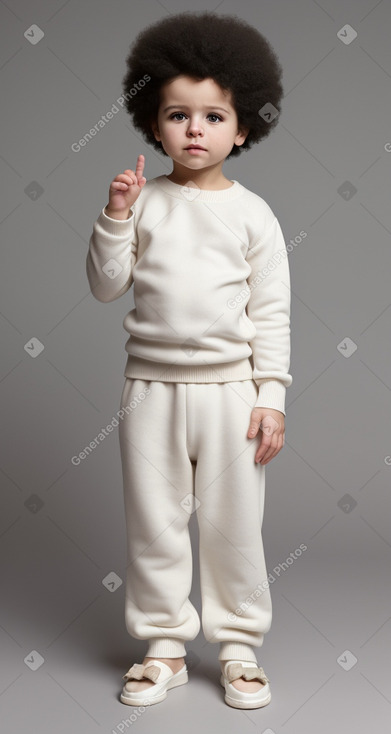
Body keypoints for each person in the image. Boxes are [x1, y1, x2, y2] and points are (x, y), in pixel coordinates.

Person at [86, 11, 292, 710]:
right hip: (149, 392)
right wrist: (115, 215)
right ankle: (164, 648)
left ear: (242, 129)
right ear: (153, 123)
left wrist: (272, 398)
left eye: (213, 116)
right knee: (155, 521)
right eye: (178, 114)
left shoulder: (253, 216)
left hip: (232, 396)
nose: (195, 129)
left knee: (233, 527)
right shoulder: (142, 205)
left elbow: (270, 315)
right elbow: (104, 285)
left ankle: (237, 649)